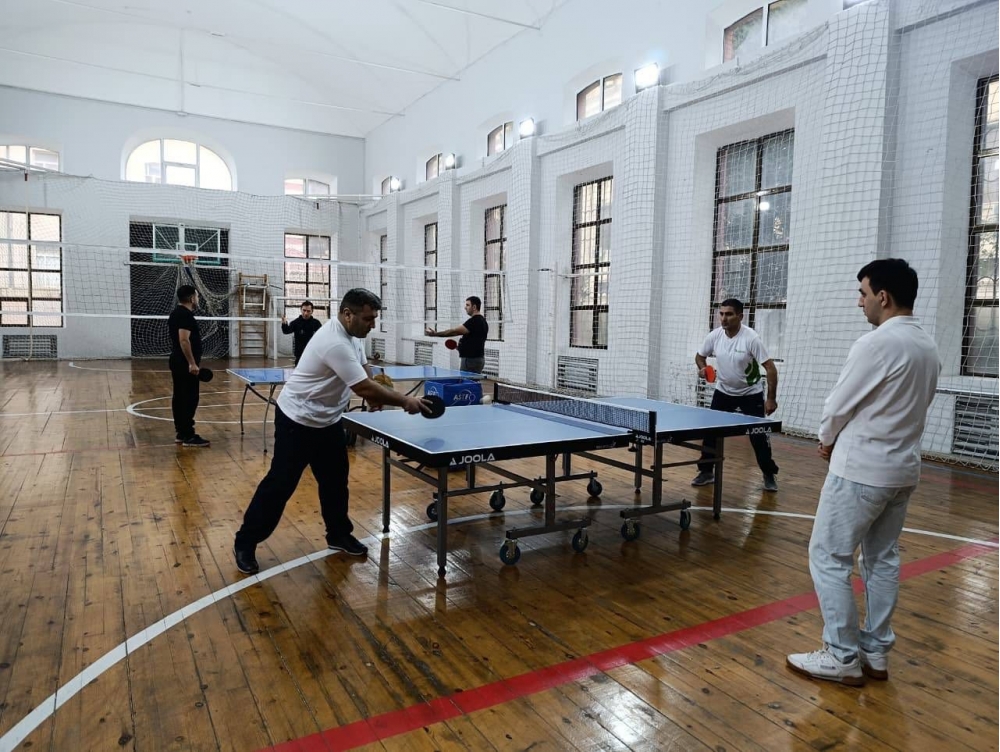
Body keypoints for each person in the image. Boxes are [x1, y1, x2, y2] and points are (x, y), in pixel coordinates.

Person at [786, 259, 940, 686]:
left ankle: (840, 655)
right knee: (882, 559)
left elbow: (838, 405)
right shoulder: (927, 345)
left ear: (883, 297)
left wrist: (825, 439)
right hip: (902, 471)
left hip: (860, 471)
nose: (860, 302)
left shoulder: (875, 344)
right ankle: (875, 651)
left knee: (829, 556)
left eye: (863, 293)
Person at [233, 288, 430, 575]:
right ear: (347, 314)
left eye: (374, 318)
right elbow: (361, 386)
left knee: (336, 482)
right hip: (297, 421)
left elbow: (364, 370)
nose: (372, 324)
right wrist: (405, 401)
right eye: (368, 319)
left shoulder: (353, 336)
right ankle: (245, 542)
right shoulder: (333, 342)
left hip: (328, 421)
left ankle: (338, 535)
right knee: (279, 485)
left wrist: (376, 394)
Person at [692, 298, 779, 491]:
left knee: (758, 436)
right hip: (723, 392)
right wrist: (703, 368)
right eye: (721, 314)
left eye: (729, 314)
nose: (724, 318)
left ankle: (768, 473)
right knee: (711, 432)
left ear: (740, 316)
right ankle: (706, 472)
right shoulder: (715, 336)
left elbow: (771, 369)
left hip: (751, 393)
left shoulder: (751, 339)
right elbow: (699, 356)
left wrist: (771, 398)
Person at [168, 284, 209, 448]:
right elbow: (184, 340)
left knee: (180, 398)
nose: (198, 299)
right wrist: (192, 363)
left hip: (178, 361)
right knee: (189, 399)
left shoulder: (175, 313)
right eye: (197, 296)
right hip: (185, 364)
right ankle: (188, 435)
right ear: (192, 298)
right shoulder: (185, 316)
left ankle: (181, 432)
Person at [425, 296, 489, 373]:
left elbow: (454, 331)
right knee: (474, 380)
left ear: (474, 307)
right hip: (478, 359)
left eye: (467, 305)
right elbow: (475, 342)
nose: (465, 307)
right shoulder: (483, 321)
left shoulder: (474, 321)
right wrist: (460, 348)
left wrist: (435, 334)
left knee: (466, 380)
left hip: (470, 361)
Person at [281, 300, 323, 365]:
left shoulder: (316, 323)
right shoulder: (296, 323)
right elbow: (286, 331)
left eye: (308, 311)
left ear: (312, 311)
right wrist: (284, 324)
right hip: (299, 354)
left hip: (312, 354)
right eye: (304, 310)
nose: (306, 313)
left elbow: (322, 336)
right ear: (301, 310)